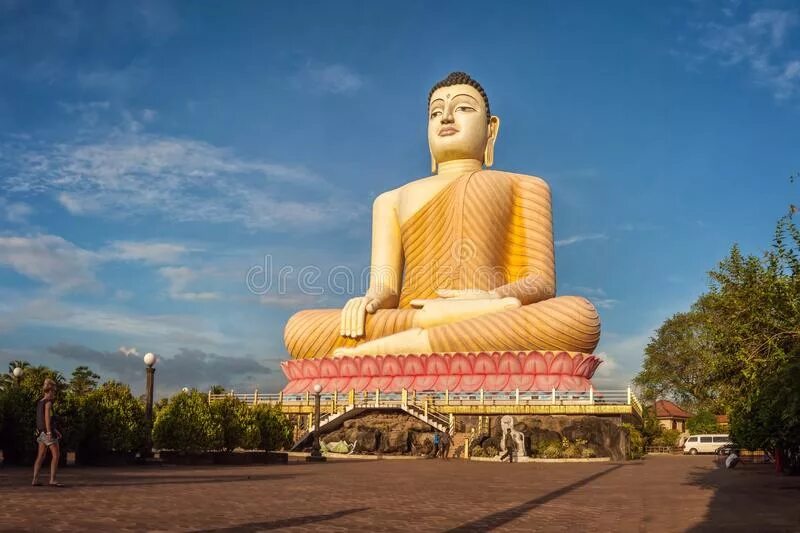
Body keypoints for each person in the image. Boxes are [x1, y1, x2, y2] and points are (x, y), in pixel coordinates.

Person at [31, 378, 64, 487]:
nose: (54, 393)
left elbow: (40, 419)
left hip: (41, 433)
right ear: (50, 391)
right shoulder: (48, 402)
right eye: (54, 391)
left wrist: (54, 430)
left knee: (40, 456)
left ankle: (35, 480)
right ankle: (52, 480)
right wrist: (50, 432)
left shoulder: (40, 402)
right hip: (47, 433)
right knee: (56, 455)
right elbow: (46, 418)